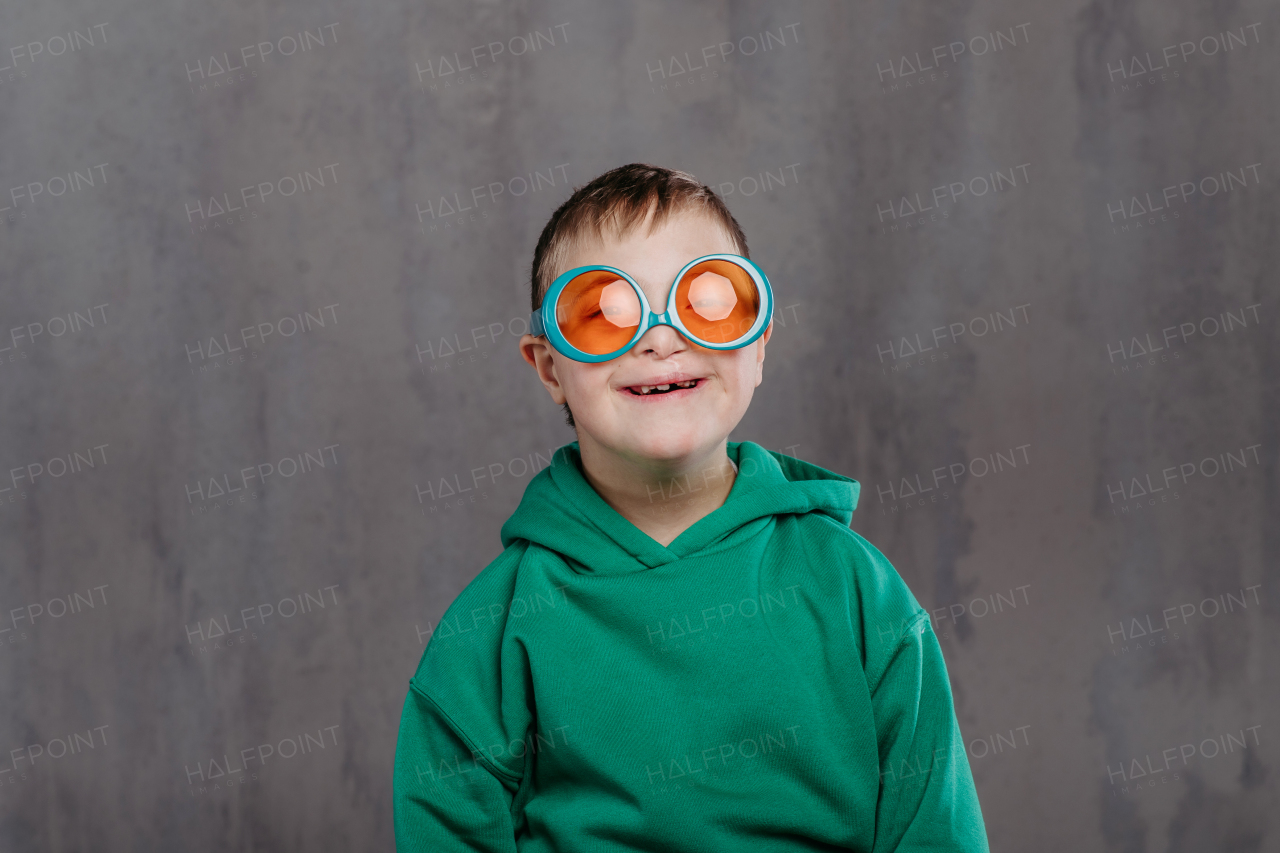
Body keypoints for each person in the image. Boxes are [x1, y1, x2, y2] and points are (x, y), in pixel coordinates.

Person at [392, 163, 990, 851]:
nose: (660, 337)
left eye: (708, 301)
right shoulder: (492, 633)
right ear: (549, 366)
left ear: (759, 342)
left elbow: (937, 834)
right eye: (603, 312)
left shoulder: (858, 595)